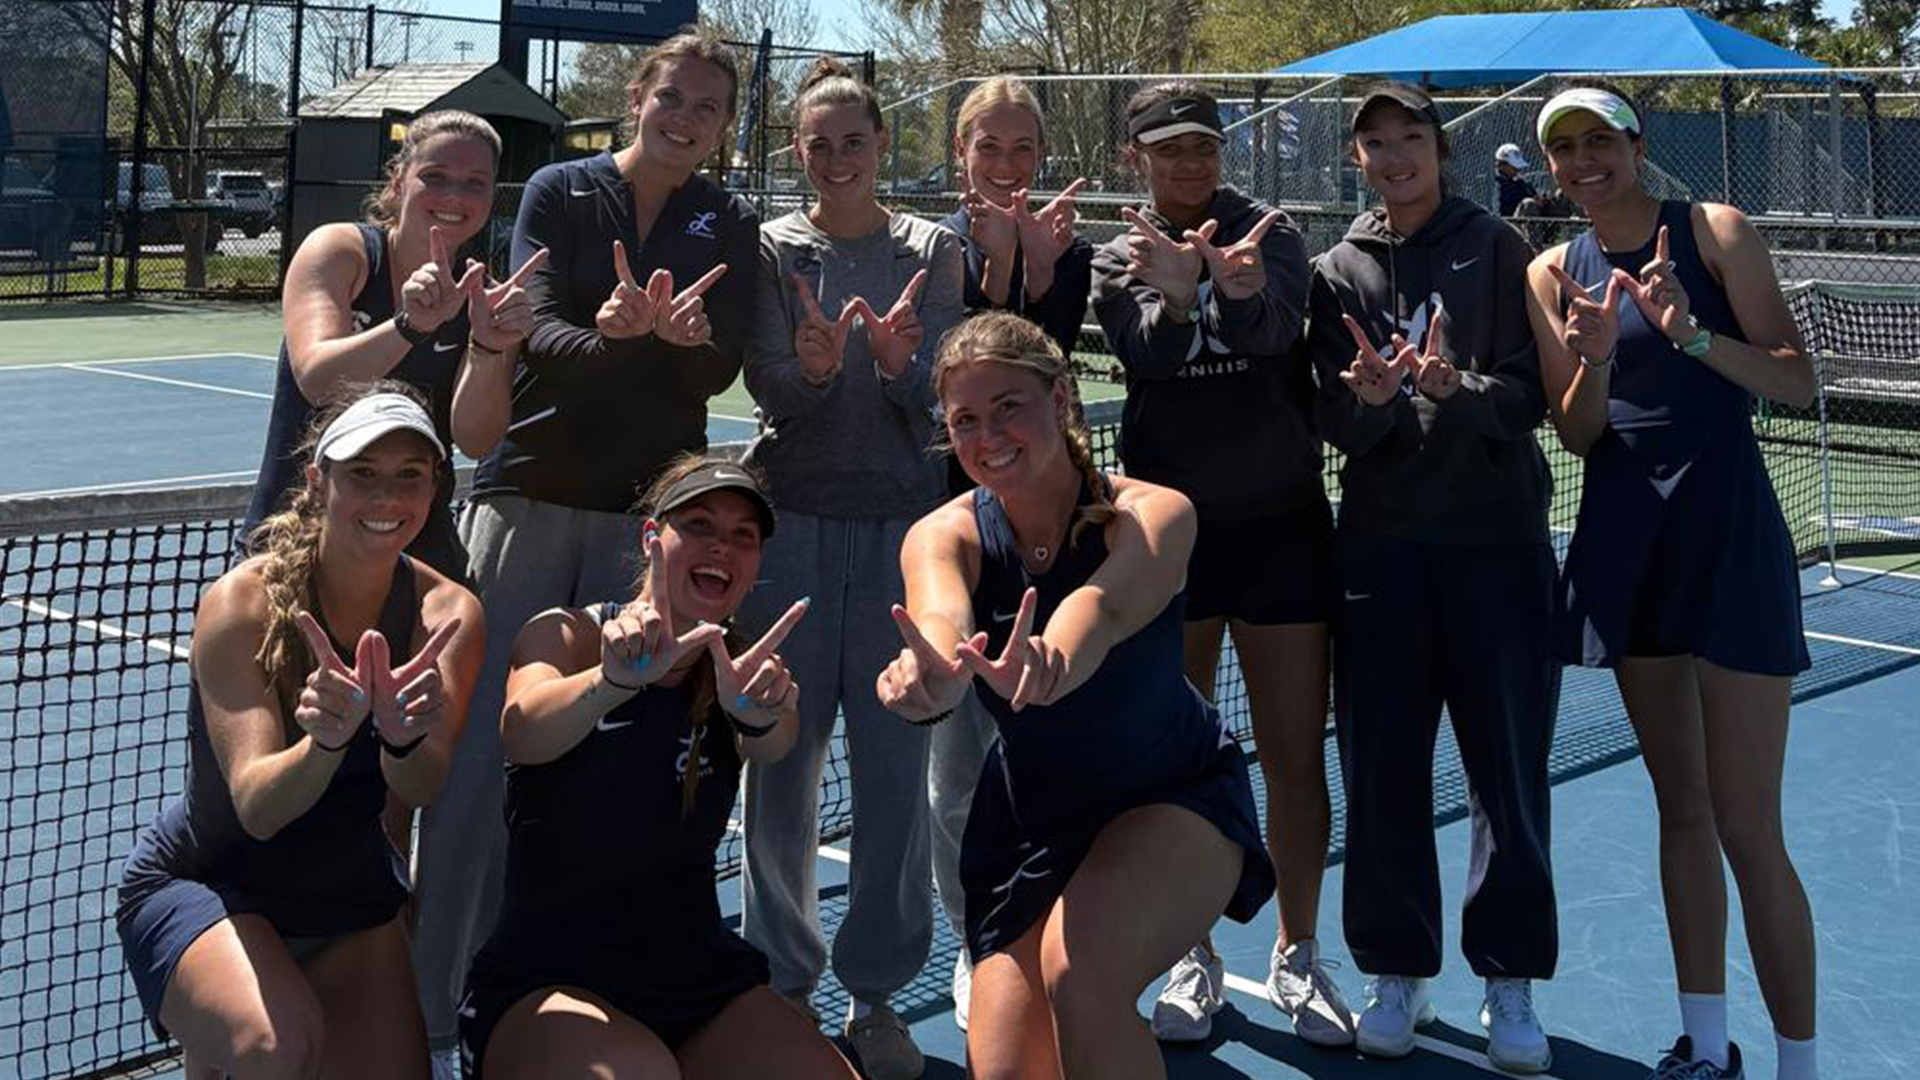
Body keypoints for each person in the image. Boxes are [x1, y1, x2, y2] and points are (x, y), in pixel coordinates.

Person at [408, 32, 760, 1075]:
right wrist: (618, 333)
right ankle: (433, 1020)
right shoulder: (560, 190)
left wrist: (685, 343)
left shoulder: (728, 219)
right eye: (672, 97)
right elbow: (533, 330)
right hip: (528, 498)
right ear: (638, 97)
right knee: (479, 766)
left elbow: (724, 362)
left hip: (646, 527)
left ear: (722, 126)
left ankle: (579, 1000)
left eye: (707, 107)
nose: (685, 118)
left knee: (614, 770)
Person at [876, 311, 1275, 1080]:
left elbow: (1102, 608)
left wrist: (1051, 659)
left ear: (1060, 399)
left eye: (1008, 407)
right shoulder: (942, 534)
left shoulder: (1155, 513)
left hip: (1172, 796)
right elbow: (940, 621)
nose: (988, 436)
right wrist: (932, 676)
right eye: (965, 420)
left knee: (1080, 971)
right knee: (1005, 1068)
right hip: (1030, 822)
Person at [1524, 84, 1819, 1080]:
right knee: (1681, 808)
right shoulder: (1549, 272)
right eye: (1564, 147)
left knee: (1749, 825)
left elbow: (1795, 380)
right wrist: (1598, 357)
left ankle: (1799, 1066)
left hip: (1729, 538)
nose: (1583, 161)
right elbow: (1577, 431)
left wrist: (1691, 334)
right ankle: (1705, 1044)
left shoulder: (1715, 231)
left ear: (1636, 143)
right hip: (1627, 547)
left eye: (1598, 140)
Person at [117, 384, 485, 1080]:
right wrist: (325, 742)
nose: (387, 497)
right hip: (212, 886)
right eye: (363, 474)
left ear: (435, 486)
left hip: (347, 898)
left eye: (409, 474)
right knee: (274, 1048)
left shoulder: (448, 614)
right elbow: (258, 809)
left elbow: (422, 783)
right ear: (318, 482)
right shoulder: (241, 605)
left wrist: (403, 737)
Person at [1305, 82, 1559, 1072]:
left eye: (1410, 136)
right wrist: (1372, 405)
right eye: (1376, 142)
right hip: (1380, 554)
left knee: (1509, 774)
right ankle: (1395, 969)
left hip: (1498, 548)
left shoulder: (1497, 247)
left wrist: (1459, 388)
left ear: (1441, 150)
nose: (1395, 155)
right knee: (1381, 772)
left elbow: (1532, 396)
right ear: (1356, 158)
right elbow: (1334, 421)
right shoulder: (1335, 272)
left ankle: (1510, 978)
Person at [456, 455, 858, 1080]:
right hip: (549, 979)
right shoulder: (568, 635)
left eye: (743, 536)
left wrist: (756, 715)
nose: (721, 547)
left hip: (691, 976)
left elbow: (775, 742)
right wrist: (612, 683)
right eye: (699, 525)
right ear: (651, 537)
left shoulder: (740, 671)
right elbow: (524, 729)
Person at [1088, 81, 1345, 1045]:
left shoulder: (1272, 234)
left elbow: (1274, 334)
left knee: (1293, 754)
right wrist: (1176, 293)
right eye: (1169, 149)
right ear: (1137, 158)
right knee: (1174, 758)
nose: (1189, 163)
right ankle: (1188, 953)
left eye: (1203, 145)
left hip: (1282, 527)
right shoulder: (1116, 253)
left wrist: (1230, 290)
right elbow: (1148, 358)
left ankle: (1298, 952)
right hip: (1167, 538)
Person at [739, 56, 964, 1080]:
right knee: (780, 768)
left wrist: (899, 368)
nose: (837, 158)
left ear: (882, 146)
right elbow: (773, 391)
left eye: (854, 141)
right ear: (799, 151)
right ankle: (783, 986)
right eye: (819, 144)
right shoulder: (772, 247)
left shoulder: (932, 249)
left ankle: (877, 996)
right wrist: (817, 371)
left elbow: (939, 401)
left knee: (892, 773)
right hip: (788, 531)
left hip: (900, 539)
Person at [929, 73, 1094, 1033]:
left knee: (1063, 756)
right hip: (965, 538)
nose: (1005, 163)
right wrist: (994, 271)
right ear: (961, 154)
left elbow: (1048, 370)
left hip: (1058, 536)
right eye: (988, 146)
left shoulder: (1068, 249)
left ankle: (1070, 943)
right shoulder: (935, 246)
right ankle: (976, 942)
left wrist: (1035, 268)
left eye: (1022, 146)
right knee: (959, 771)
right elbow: (962, 369)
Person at [244, 109, 535, 580]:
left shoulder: (485, 298)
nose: (454, 196)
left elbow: (477, 440)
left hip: (417, 545)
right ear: (398, 182)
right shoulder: (340, 252)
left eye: (475, 183)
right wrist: (409, 326)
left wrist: (487, 348)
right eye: (435, 177)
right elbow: (319, 381)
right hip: (302, 535)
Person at [1496, 142, 1539, 217]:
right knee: (1528, 204)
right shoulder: (1498, 186)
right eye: (1514, 167)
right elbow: (1504, 211)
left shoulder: (1520, 183)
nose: (1517, 170)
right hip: (1507, 221)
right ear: (1502, 165)